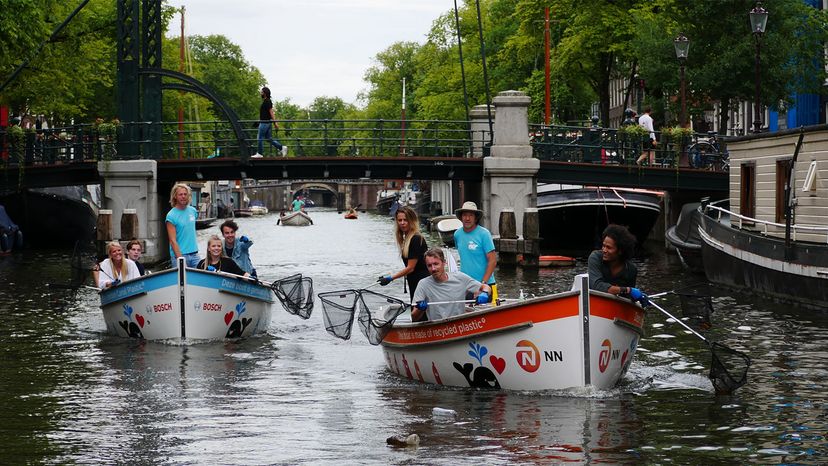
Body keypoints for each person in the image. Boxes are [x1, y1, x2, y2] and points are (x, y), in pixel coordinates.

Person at [412, 248, 492, 322]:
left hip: (460, 325)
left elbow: (485, 287)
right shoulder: (423, 284)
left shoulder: (460, 277)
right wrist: (420, 309)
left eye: (436, 264)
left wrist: (484, 293)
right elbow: (414, 317)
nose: (433, 269)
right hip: (437, 327)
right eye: (429, 265)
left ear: (444, 263)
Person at [378, 206, 430, 319]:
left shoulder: (416, 239)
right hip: (413, 281)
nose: (402, 223)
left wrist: (390, 278)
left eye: (405, 220)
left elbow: (411, 268)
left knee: (420, 314)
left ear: (412, 221)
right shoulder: (407, 238)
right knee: (417, 312)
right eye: (399, 220)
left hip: (421, 282)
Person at [587, 224, 648, 305]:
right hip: (593, 302)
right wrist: (628, 290)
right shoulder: (595, 257)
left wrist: (638, 298)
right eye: (603, 246)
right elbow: (597, 286)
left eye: (609, 247)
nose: (604, 250)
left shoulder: (631, 270)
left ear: (620, 251)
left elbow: (627, 299)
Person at [453, 201, 498, 301]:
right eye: (465, 215)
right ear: (461, 217)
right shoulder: (457, 234)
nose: (467, 218)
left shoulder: (484, 234)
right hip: (465, 285)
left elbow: (492, 261)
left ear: (476, 218)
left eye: (471, 215)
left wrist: (483, 284)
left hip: (485, 285)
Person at [165, 183, 200, 268]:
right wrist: (180, 259)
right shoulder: (171, 215)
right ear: (175, 196)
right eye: (180, 194)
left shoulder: (193, 211)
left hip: (195, 254)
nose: (183, 196)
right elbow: (172, 241)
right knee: (181, 280)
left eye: (185, 194)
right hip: (180, 255)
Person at [255, 86, 287, 157]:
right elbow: (265, 113)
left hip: (264, 123)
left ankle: (259, 153)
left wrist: (275, 122)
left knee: (259, 138)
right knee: (269, 139)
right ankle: (282, 148)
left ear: (265, 93)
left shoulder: (267, 101)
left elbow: (271, 112)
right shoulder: (266, 101)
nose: (261, 93)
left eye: (261, 92)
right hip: (266, 123)